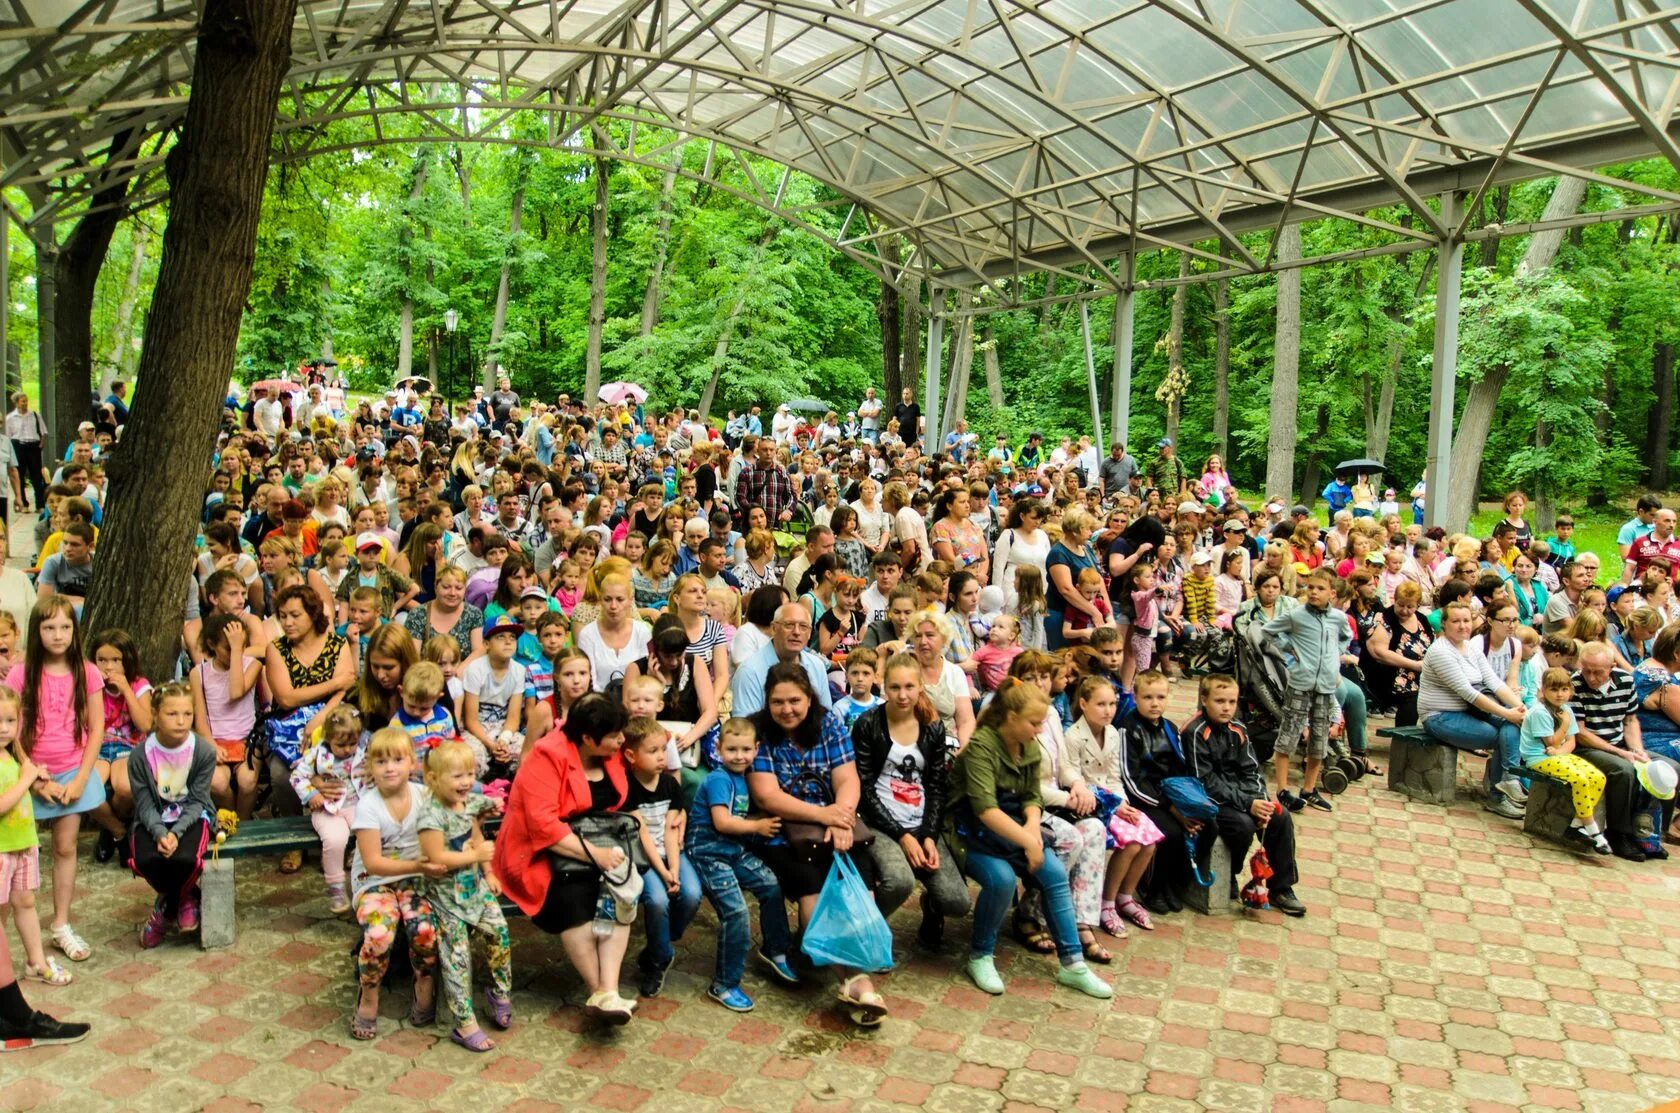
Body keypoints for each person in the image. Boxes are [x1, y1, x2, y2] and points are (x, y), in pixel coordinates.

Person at [946, 678, 1113, 999]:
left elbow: (1031, 799)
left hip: (1014, 829)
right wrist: (1029, 842)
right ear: (1011, 719)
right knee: (1001, 879)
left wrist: (1033, 835)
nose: (1040, 730)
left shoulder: (1029, 746)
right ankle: (980, 955)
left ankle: (1073, 965)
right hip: (971, 832)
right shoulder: (982, 748)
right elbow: (985, 810)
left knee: (1053, 874)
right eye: (1034, 723)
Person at [746, 664, 885, 1026]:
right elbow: (767, 796)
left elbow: (847, 778)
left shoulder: (829, 725)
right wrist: (827, 817)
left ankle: (852, 978)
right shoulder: (757, 730)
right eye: (778, 702)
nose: (787, 709)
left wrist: (843, 817)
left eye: (795, 700)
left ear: (809, 698)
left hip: (835, 821)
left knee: (860, 895)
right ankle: (857, 983)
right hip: (783, 832)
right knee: (814, 903)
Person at [493, 695, 638, 1022]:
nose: (621, 740)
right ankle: (599, 989)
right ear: (587, 738)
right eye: (615, 735)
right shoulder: (548, 755)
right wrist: (596, 855)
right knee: (572, 897)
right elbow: (542, 825)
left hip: (600, 842)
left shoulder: (609, 752)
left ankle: (608, 993)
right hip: (540, 853)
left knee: (621, 893)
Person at [6, 598, 104, 962]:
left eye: (65, 627)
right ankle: (12, 931)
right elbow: (10, 732)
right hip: (28, 773)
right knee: (18, 854)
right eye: (49, 628)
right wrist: (32, 778)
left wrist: (80, 780)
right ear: (36, 632)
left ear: (74, 631)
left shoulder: (88, 672)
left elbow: (96, 730)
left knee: (65, 847)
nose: (58, 635)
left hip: (72, 771)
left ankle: (60, 923)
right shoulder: (21, 673)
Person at [851, 653, 968, 948]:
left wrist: (928, 835)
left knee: (957, 901)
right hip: (881, 821)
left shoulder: (932, 727)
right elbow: (863, 788)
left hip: (920, 819)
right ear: (883, 687)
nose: (902, 696)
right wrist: (902, 836)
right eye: (894, 688)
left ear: (920, 687)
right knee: (899, 882)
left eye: (909, 687)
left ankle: (931, 906)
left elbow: (936, 786)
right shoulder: (868, 724)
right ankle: (865, 934)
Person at [687, 717, 797, 1013]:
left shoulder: (744, 776)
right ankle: (723, 984)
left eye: (746, 749)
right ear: (719, 749)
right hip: (709, 852)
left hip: (733, 849)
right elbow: (722, 822)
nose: (739, 755)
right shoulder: (719, 779)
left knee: (771, 885)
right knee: (736, 913)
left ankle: (775, 950)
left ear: (756, 749)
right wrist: (758, 827)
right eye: (732, 749)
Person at [1181, 674, 1307, 916]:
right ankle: (1230, 872)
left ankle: (1281, 887)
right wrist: (1248, 804)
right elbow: (1205, 782)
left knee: (1280, 817)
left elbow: (1251, 770)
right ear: (1204, 700)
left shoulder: (1238, 728)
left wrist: (1260, 801)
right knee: (1242, 825)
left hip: (1241, 795)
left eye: (1231, 701)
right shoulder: (1195, 732)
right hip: (1209, 800)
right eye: (1219, 701)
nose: (1227, 707)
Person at [417, 741, 512, 1053]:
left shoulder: (467, 803)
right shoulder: (431, 815)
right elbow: (435, 858)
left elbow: (476, 836)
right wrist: (476, 854)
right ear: (433, 779)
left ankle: (499, 992)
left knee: (498, 931)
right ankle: (464, 1021)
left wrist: (488, 871)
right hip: (446, 895)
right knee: (456, 955)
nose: (466, 782)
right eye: (457, 776)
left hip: (475, 886)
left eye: (470, 774)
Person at [263, 586, 355, 871]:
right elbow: (286, 697)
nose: (287, 622)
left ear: (312, 614)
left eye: (294, 615)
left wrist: (320, 720)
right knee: (280, 773)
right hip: (288, 729)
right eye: (282, 616)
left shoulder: (336, 645)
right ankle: (294, 840)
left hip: (332, 723)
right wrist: (334, 683)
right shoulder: (276, 649)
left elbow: (348, 689)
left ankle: (348, 837)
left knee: (347, 765)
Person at [125, 682, 216, 948]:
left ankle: (165, 910)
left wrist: (175, 834)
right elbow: (143, 804)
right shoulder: (140, 756)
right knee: (145, 858)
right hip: (154, 819)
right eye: (172, 714)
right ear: (155, 715)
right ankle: (187, 896)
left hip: (191, 817)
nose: (181, 721)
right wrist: (161, 832)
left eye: (187, 714)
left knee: (187, 858)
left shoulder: (203, 751)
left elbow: (198, 800)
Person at [1418, 601, 1527, 819]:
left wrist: (1519, 707)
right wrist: (1507, 713)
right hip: (1440, 716)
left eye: (1466, 620)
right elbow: (1469, 693)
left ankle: (1509, 781)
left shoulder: (1471, 648)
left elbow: (1494, 682)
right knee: (1500, 735)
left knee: (1512, 726)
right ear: (1445, 624)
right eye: (1456, 621)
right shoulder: (1440, 651)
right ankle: (1498, 795)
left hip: (1468, 711)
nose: (1462, 626)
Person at [1572, 641, 1680, 862]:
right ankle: (1619, 833)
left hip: (1618, 741)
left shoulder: (1625, 681)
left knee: (1670, 768)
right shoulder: (1576, 685)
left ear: (1611, 667)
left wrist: (1638, 750)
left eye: (1598, 672)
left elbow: (1630, 721)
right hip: (1589, 746)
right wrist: (1621, 753)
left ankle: (1652, 834)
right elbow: (1580, 733)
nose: (1591, 678)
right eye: (1587, 671)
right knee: (1624, 771)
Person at [0, 686, 72, 987]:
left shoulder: (13, 756)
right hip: (2, 850)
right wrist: (28, 778)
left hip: (23, 844)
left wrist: (35, 778)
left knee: (25, 901)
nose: (4, 729)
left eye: (9, 721)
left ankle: (36, 961)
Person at [1262, 569, 1349, 812]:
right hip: (1300, 683)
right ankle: (1282, 789)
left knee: (1320, 739)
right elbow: (1269, 631)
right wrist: (1289, 647)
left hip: (1325, 686)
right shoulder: (1296, 615)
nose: (1314, 592)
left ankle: (1309, 789)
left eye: (1320, 589)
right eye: (1310, 587)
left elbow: (1346, 636)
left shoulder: (1338, 618)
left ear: (1332, 593)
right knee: (1289, 734)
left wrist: (1334, 654)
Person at [1520, 667, 1612, 854]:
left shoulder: (1566, 710)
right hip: (1537, 758)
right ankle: (1593, 830)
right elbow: (1551, 741)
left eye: (1564, 689)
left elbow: (1571, 742)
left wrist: (1560, 751)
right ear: (1544, 690)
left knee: (1598, 776)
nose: (1560, 695)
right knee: (1579, 779)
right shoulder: (1540, 712)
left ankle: (1577, 825)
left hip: (1559, 755)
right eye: (1554, 690)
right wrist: (1564, 725)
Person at [292, 705, 367, 914]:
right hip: (328, 809)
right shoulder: (317, 755)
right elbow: (297, 777)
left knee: (369, 834)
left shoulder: (363, 752)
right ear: (328, 738)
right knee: (335, 840)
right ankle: (335, 887)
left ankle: (365, 885)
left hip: (357, 806)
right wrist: (312, 794)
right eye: (340, 744)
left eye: (352, 743)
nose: (347, 749)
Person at [730, 601, 831, 717]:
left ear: (809, 633)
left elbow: (826, 718)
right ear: (773, 628)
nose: (797, 632)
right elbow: (745, 728)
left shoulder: (817, 665)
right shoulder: (749, 672)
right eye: (789, 625)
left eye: (803, 627)